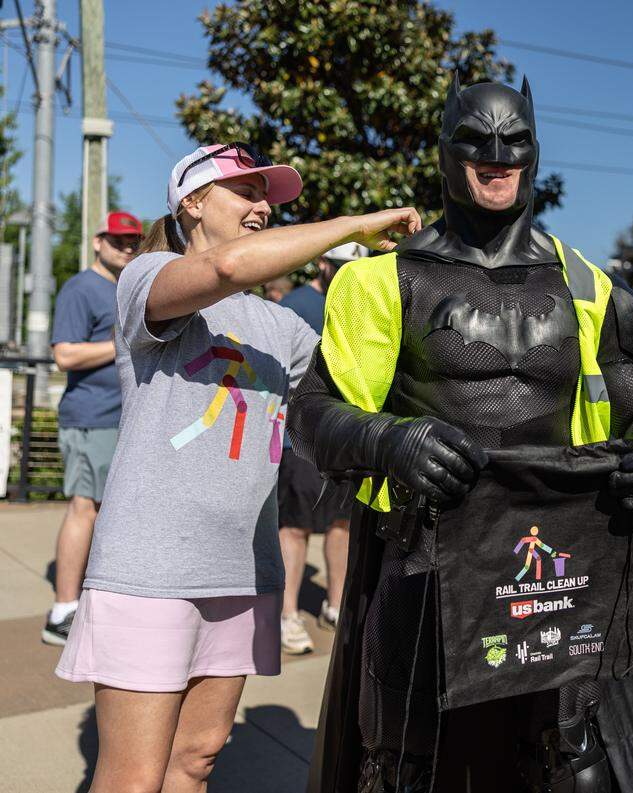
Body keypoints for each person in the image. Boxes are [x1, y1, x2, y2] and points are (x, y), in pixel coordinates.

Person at [292, 77, 633, 793]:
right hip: (427, 559)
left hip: (560, 568)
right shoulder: (382, 282)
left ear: (535, 152)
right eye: (477, 141)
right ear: (443, 152)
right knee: (401, 767)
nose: (497, 155)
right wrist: (391, 441)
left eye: (514, 141)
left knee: (569, 763)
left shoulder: (592, 288)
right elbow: (313, 412)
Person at [53, 141, 420, 793]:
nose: (262, 205)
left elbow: (361, 389)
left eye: (267, 197)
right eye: (244, 192)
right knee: (134, 779)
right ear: (192, 202)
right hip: (150, 569)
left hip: (243, 571)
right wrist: (353, 227)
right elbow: (225, 267)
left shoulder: (280, 326)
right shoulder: (147, 277)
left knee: (197, 759)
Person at [43, 211, 143, 646]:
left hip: (117, 417)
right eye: (118, 240)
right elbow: (64, 355)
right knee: (86, 508)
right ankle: (62, 611)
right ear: (98, 241)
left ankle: (87, 600)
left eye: (133, 240)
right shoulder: (81, 288)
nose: (127, 247)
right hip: (91, 416)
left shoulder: (122, 288)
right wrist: (122, 342)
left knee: (105, 512)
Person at [276, 242, 366, 655]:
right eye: (343, 266)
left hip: (343, 439)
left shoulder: (359, 301)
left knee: (342, 525)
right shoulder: (295, 304)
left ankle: (335, 605)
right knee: (294, 528)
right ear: (323, 263)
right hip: (299, 439)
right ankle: (287, 613)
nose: (349, 273)